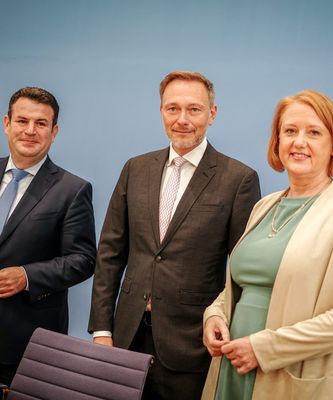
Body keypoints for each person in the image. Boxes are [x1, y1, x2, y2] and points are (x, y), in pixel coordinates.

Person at [88, 71, 261, 400]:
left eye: (194, 109)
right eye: (172, 109)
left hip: (192, 346)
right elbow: (110, 253)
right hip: (125, 338)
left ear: (212, 113)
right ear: (161, 111)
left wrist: (231, 331)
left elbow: (242, 271)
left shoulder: (238, 179)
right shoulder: (135, 169)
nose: (182, 119)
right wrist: (101, 329)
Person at [202, 89, 333, 400]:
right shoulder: (265, 207)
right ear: (277, 142)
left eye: (313, 132)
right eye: (289, 131)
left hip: (291, 376)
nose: (299, 141)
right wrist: (215, 314)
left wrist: (265, 348)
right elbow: (241, 286)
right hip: (232, 365)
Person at [0, 87, 96, 386]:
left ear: (54, 132)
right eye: (22, 121)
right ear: (7, 123)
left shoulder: (72, 190)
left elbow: (83, 260)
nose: (30, 130)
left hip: (26, 342)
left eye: (41, 123)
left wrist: (26, 276)